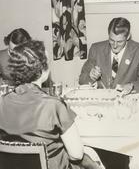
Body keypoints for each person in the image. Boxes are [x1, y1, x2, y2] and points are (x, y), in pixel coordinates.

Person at [0, 40, 103, 169]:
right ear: (44, 71)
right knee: (92, 157)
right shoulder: (54, 106)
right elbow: (76, 155)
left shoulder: (2, 101)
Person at [79, 17, 139, 94]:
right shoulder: (96, 49)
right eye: (112, 40)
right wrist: (90, 76)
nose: (115, 46)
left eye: (120, 41)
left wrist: (131, 86)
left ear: (128, 36)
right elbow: (82, 79)